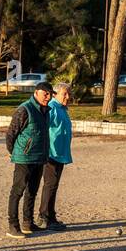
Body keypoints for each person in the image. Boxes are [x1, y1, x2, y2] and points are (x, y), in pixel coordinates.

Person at [5, 81, 53, 238]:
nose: (48, 96)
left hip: (39, 157)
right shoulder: (25, 109)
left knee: (32, 191)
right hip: (24, 158)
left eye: (50, 94)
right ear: (36, 92)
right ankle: (13, 225)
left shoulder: (45, 110)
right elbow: (11, 133)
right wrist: (15, 153)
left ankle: (28, 222)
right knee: (17, 191)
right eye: (45, 93)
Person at [38, 82, 74, 230]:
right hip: (51, 154)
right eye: (64, 94)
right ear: (55, 94)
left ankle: (51, 216)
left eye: (69, 93)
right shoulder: (52, 108)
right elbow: (43, 129)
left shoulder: (62, 109)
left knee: (54, 186)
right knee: (50, 185)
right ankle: (44, 217)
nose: (67, 96)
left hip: (60, 153)